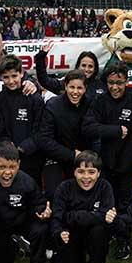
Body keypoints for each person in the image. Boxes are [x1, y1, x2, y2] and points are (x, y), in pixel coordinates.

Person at [82, 62, 132, 260]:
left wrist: (130, 161)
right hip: (105, 163)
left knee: (125, 203)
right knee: (105, 202)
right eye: (111, 82)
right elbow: (88, 127)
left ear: (126, 81)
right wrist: (115, 130)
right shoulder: (100, 101)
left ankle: (123, 238)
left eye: (119, 82)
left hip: (126, 165)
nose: (115, 87)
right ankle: (105, 234)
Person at [49, 150, 117, 263]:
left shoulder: (105, 187)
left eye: (91, 172)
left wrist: (72, 216)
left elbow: (107, 218)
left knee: (100, 230)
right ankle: (76, 260)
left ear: (98, 173)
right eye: (81, 171)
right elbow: (57, 218)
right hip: (71, 237)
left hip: (94, 237)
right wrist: (59, 232)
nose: (86, 177)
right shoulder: (64, 188)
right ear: (74, 172)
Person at [36, 69, 92, 200]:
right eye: (72, 87)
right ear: (65, 86)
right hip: (56, 157)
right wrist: (72, 154)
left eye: (79, 88)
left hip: (82, 158)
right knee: (54, 194)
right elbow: (44, 140)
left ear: (85, 89)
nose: (75, 92)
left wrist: (88, 156)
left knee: (81, 195)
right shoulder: (53, 105)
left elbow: (94, 133)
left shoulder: (90, 104)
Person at [0, 54, 45, 185]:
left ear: (21, 73)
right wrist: (6, 144)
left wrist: (23, 148)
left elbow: (41, 129)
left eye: (14, 76)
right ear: (0, 77)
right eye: (6, 77)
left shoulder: (34, 98)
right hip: (6, 158)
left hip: (32, 158)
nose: (11, 81)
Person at [34, 41, 105, 101]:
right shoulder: (67, 82)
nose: (86, 69)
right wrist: (41, 57)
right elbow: (45, 81)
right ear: (78, 66)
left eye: (90, 66)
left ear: (95, 68)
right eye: (83, 65)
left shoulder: (101, 85)